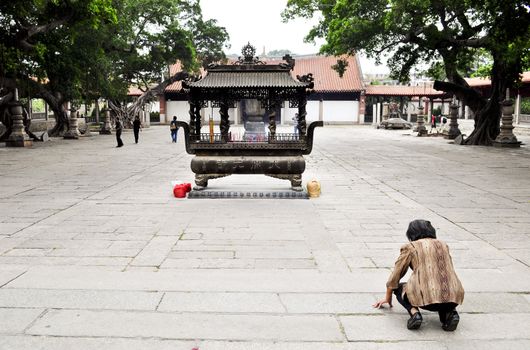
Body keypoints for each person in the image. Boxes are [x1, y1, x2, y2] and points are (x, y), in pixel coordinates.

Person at [373, 219, 464, 331]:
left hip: (425, 300)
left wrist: (388, 297)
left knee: (400, 287)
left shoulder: (411, 247)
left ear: (411, 234)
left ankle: (415, 314)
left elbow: (395, 276)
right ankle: (451, 314)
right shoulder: (444, 245)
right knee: (442, 288)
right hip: (453, 296)